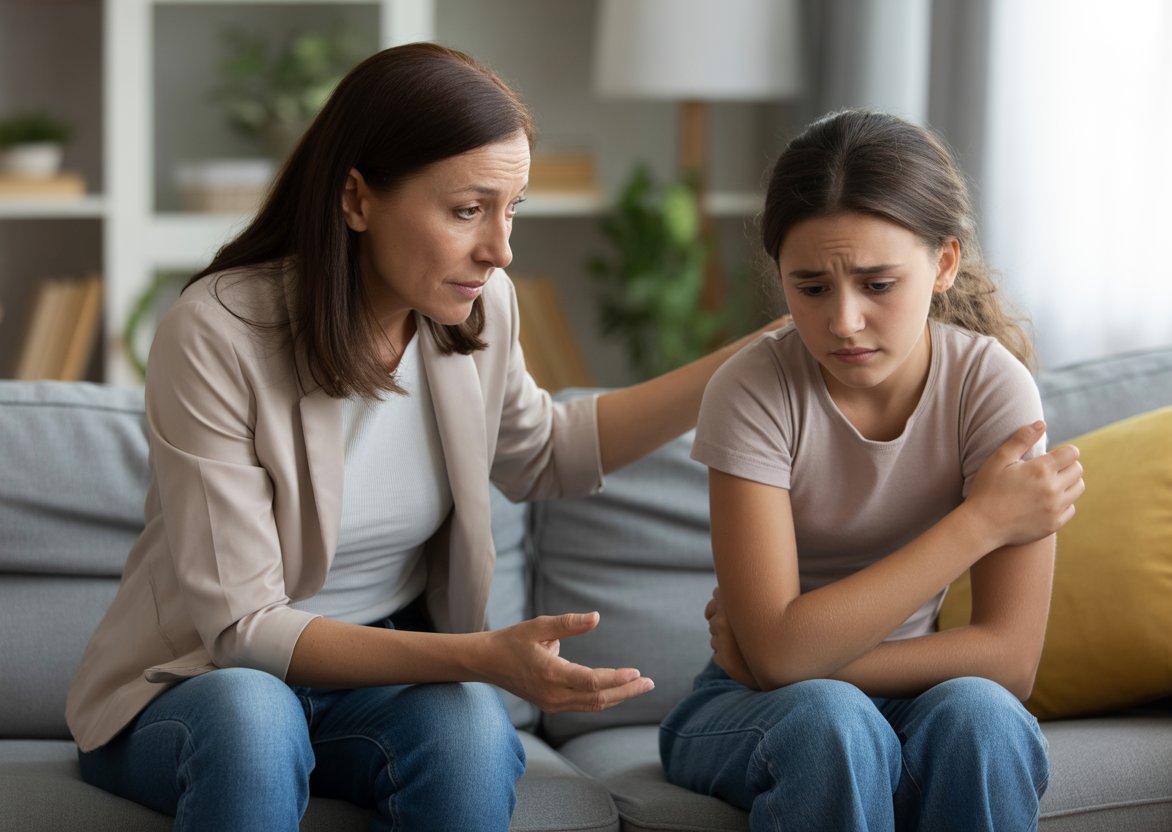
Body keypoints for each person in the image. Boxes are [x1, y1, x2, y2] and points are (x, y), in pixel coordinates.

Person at [65, 43, 779, 831]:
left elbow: (548, 453)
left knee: (469, 732)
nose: (499, 250)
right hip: (199, 685)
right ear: (357, 198)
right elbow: (244, 630)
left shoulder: (479, 306)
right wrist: (477, 657)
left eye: (512, 210)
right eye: (467, 210)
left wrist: (757, 355)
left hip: (373, 681)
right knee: (253, 719)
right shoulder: (217, 333)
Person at [659, 109, 1086, 831]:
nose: (844, 321)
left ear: (943, 263)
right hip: (749, 702)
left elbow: (1010, 662)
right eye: (811, 288)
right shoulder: (753, 389)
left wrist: (789, 656)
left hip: (890, 683)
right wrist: (980, 521)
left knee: (983, 716)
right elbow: (778, 661)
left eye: (878, 284)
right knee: (832, 721)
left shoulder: (991, 388)